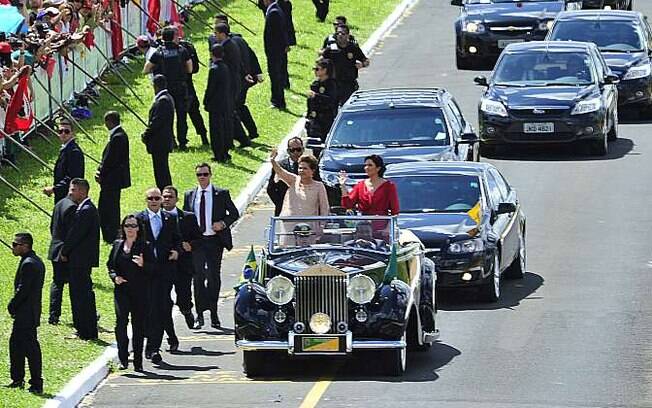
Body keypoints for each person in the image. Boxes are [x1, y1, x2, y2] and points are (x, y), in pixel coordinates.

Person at [183, 163, 239, 329]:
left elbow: (234, 214)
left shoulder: (221, 194)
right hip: (197, 242)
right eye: (199, 175)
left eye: (205, 174)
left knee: (213, 276)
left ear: (210, 174)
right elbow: (186, 218)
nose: (202, 177)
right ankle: (200, 313)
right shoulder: (190, 195)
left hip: (214, 241)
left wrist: (222, 223)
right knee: (198, 276)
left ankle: (213, 312)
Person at [136, 188, 180, 365]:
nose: (154, 201)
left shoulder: (170, 218)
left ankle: (154, 347)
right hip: (144, 271)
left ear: (161, 200)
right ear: (146, 200)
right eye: (150, 198)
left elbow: (177, 239)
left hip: (163, 271)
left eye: (157, 198)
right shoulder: (138, 219)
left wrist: (176, 251)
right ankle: (148, 343)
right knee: (147, 309)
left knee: (160, 308)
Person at [107, 215, 154, 372]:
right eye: (127, 226)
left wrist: (143, 264)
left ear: (138, 228)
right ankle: (123, 358)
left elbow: (153, 269)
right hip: (122, 291)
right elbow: (110, 266)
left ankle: (138, 361)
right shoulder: (117, 245)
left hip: (140, 291)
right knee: (121, 323)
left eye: (133, 226)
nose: (130, 229)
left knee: (138, 326)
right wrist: (115, 277)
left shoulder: (144, 246)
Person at [60, 178, 100, 340]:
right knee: (83, 294)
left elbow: (75, 234)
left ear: (83, 192)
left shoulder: (85, 210)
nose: (70, 193)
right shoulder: (86, 208)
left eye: (73, 190)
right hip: (82, 260)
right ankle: (87, 330)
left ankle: (84, 330)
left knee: (79, 295)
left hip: (79, 260)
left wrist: (64, 251)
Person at [213, 14, 263, 141]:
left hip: (237, 82)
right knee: (239, 105)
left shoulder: (230, 44)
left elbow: (242, 59)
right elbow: (250, 56)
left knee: (235, 107)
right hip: (243, 79)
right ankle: (251, 132)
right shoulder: (237, 40)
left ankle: (242, 136)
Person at [7, 232, 45, 394]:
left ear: (25, 246)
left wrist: (12, 305)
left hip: (26, 313)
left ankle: (35, 382)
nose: (13, 247)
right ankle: (18, 378)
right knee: (17, 345)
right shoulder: (33, 261)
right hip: (29, 312)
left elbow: (23, 290)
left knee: (29, 348)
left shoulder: (29, 263)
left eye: (16, 244)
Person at [144, 27, 193, 150]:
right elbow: (190, 69)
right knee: (182, 116)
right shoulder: (182, 51)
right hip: (180, 88)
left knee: (167, 117)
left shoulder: (158, 53)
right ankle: (183, 141)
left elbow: (146, 69)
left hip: (165, 90)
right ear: (173, 37)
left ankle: (172, 141)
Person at [162, 185, 202, 332]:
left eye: (170, 196)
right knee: (163, 299)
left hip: (183, 265)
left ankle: (187, 311)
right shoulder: (155, 218)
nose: (166, 199)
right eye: (164, 196)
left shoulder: (188, 217)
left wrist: (190, 245)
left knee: (184, 295)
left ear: (177, 199)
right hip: (163, 265)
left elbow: (199, 238)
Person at [213, 23, 250, 148]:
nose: (214, 36)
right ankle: (239, 138)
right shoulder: (230, 44)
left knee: (230, 113)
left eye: (216, 33)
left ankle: (240, 138)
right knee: (230, 112)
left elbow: (232, 66)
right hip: (233, 83)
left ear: (222, 34)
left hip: (231, 85)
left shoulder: (228, 47)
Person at [96, 111, 131, 243]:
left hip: (112, 180)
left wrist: (101, 174)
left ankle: (111, 233)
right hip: (113, 179)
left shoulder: (117, 137)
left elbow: (110, 160)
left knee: (108, 207)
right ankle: (111, 232)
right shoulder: (119, 135)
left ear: (109, 122)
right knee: (110, 206)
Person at [269, 149, 329, 217]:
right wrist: (272, 161)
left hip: (310, 224)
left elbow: (324, 208)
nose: (301, 171)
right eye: (300, 168)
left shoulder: (319, 186)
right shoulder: (293, 180)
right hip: (289, 223)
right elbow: (280, 171)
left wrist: (321, 224)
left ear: (312, 170)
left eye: (305, 168)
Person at [46, 194, 77, 325]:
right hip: (65, 252)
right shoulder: (72, 207)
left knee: (57, 282)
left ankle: (53, 315)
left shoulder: (59, 204)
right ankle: (80, 312)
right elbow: (72, 233)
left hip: (55, 248)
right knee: (76, 284)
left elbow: (52, 226)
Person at [142, 74, 175, 190]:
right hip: (162, 141)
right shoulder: (167, 98)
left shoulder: (163, 101)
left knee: (161, 171)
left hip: (160, 142)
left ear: (156, 86)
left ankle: (165, 193)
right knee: (161, 170)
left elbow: (156, 122)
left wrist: (146, 134)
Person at [322, 24, 369, 105]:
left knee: (348, 106)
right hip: (334, 83)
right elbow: (321, 60)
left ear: (347, 35)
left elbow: (366, 60)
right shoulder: (331, 48)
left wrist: (362, 64)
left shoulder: (353, 48)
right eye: (338, 33)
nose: (340, 35)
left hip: (348, 83)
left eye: (343, 34)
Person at [204, 44, 234, 163]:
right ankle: (225, 152)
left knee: (216, 130)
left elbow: (210, 88)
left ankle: (218, 154)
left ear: (212, 54)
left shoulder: (214, 69)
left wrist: (206, 100)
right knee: (224, 128)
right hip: (225, 103)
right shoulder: (225, 68)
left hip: (215, 104)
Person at [43, 118, 85, 204]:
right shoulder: (66, 149)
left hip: (70, 197)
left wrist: (54, 189)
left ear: (72, 133)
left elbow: (72, 178)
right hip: (63, 195)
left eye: (66, 131)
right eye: (60, 131)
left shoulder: (74, 152)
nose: (63, 134)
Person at [178, 35, 208, 146]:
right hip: (188, 84)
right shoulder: (187, 47)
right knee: (194, 112)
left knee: (186, 113)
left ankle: (182, 142)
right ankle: (203, 136)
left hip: (179, 85)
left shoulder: (182, 49)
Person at [306, 59, 338, 155]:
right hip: (315, 120)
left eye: (317, 69)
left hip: (326, 119)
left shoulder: (331, 84)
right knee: (315, 147)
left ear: (325, 70)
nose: (315, 71)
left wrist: (316, 96)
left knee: (326, 144)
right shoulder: (315, 84)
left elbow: (331, 101)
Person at [262, 0, 289, 109]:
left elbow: (278, 33)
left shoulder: (274, 12)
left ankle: (278, 101)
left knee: (275, 76)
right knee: (276, 75)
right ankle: (277, 99)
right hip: (277, 50)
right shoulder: (276, 9)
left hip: (275, 51)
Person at [267, 137, 303, 216]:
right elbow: (271, 188)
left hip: (304, 210)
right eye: (292, 150)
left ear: (303, 150)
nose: (296, 152)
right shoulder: (279, 166)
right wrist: (281, 203)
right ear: (288, 151)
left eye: (298, 149)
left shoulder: (311, 166)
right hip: (284, 210)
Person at [277, 0, 296, 89]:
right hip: (279, 38)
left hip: (281, 39)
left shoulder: (283, 5)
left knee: (282, 63)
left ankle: (284, 82)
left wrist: (286, 43)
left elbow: (286, 25)